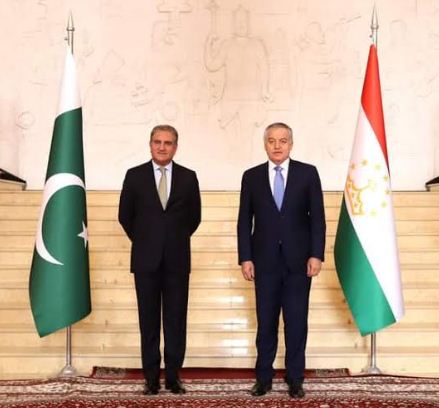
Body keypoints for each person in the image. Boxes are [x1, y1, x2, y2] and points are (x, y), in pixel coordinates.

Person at [237, 122, 326, 399]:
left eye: (283, 140)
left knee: (296, 323)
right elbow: (244, 221)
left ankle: (295, 379)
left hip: (299, 263)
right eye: (272, 141)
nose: (277, 146)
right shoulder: (251, 176)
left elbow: (318, 218)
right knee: (266, 324)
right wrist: (245, 257)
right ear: (265, 144)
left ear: (291, 144)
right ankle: (263, 379)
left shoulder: (308, 174)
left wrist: (316, 254)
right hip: (263, 263)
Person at [118, 124, 201, 395]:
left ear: (175, 147)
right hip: (146, 261)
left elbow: (194, 217)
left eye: (168, 143)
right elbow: (125, 216)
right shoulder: (134, 176)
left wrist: (172, 240)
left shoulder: (188, 177)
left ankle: (173, 377)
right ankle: (151, 378)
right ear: (150, 144)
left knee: (176, 321)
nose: (162, 147)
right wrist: (146, 241)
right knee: (149, 322)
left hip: (177, 261)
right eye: (157, 142)